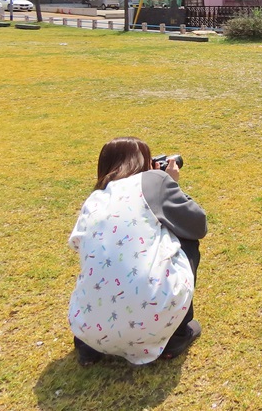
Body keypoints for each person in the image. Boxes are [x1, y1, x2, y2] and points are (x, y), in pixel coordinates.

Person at [68, 137, 207, 366]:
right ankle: (176, 335)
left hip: (87, 329)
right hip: (148, 320)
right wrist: (170, 183)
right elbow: (197, 225)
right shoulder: (154, 180)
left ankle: (90, 348)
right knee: (186, 241)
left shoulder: (94, 199)